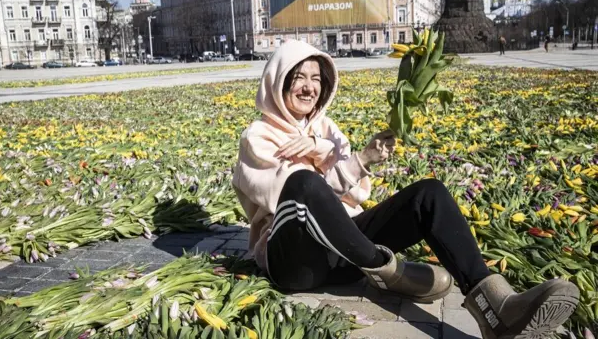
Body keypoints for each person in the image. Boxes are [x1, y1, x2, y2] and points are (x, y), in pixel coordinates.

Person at [232, 39, 579, 338]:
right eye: (298, 78)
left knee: (429, 193)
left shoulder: (327, 129)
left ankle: (497, 309)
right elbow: (289, 199)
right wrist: (329, 157)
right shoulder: (258, 137)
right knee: (302, 182)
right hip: (295, 262)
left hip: (344, 255)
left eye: (316, 79)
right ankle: (388, 271)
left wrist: (351, 156)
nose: (309, 88)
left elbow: (357, 196)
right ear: (278, 83)